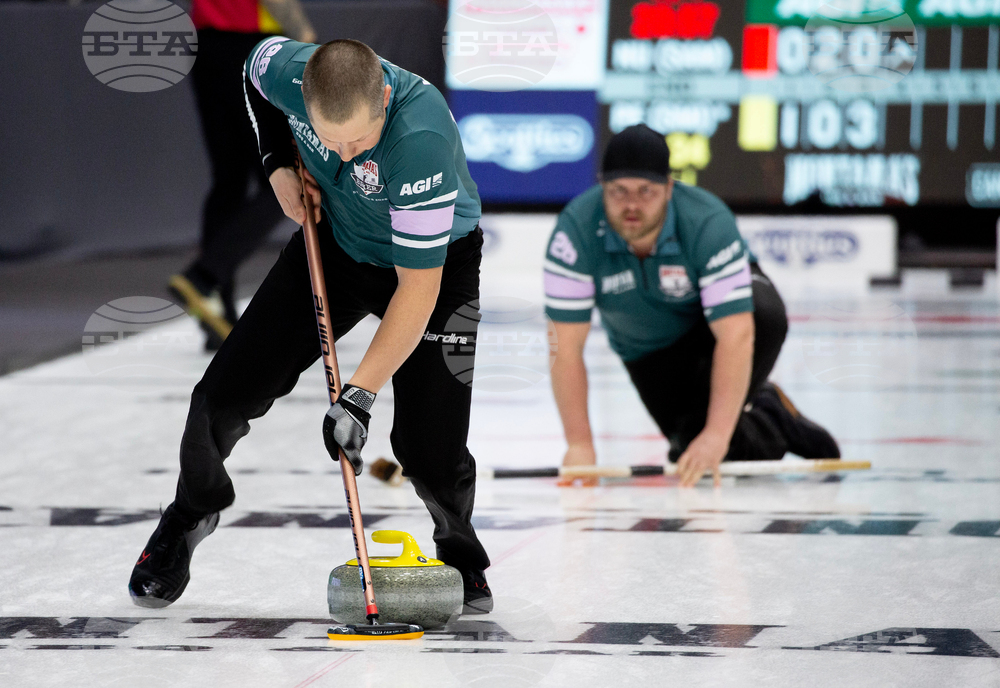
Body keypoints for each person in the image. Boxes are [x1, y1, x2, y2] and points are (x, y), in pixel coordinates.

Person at [130, 38, 493, 613]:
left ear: (384, 98)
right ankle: (191, 512)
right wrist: (275, 163)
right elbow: (252, 74)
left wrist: (358, 395)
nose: (344, 155)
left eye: (358, 140)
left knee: (430, 450)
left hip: (435, 268)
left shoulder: (419, 138)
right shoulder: (286, 73)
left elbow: (417, 291)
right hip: (337, 243)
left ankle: (460, 556)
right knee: (217, 400)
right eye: (329, 137)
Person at [545, 124, 839, 488]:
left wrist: (716, 435)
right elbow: (565, 348)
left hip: (716, 328)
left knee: (763, 314)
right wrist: (580, 445)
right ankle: (772, 416)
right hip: (649, 350)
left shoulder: (706, 221)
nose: (632, 205)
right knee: (689, 451)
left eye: (646, 191)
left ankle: (735, 416)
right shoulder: (573, 234)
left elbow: (736, 334)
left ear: (670, 188)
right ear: (601, 187)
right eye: (619, 191)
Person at [168, 0, 316, 350]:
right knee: (282, 174)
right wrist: (305, 38)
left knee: (229, 179)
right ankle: (205, 275)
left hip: (207, 45)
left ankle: (217, 311)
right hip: (253, 47)